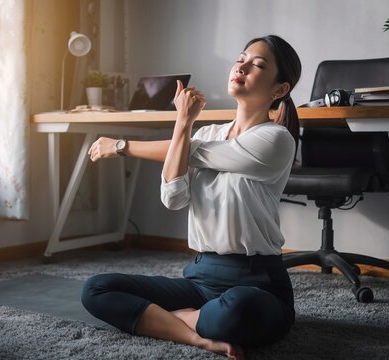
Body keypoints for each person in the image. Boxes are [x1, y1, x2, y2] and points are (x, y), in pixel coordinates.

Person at [81, 34, 302, 359]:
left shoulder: (276, 139)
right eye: (240, 58)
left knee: (238, 309)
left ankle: (170, 319)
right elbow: (173, 197)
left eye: (257, 65)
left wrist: (121, 146)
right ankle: (196, 336)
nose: (241, 66)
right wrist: (183, 123)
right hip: (200, 277)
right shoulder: (206, 134)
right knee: (95, 289)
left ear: (279, 90)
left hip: (258, 282)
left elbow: (197, 154)